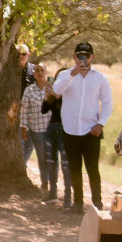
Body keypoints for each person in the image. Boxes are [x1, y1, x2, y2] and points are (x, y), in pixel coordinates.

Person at [52, 42, 112, 211]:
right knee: (74, 168)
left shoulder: (100, 78)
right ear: (74, 57)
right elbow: (57, 90)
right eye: (79, 55)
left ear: (92, 57)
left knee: (93, 168)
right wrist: (73, 73)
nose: (83, 59)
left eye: (86, 55)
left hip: (91, 130)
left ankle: (97, 203)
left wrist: (101, 124)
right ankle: (77, 203)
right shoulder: (65, 75)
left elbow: (107, 103)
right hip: (70, 130)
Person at [20, 63, 54, 197]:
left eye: (42, 70)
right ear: (34, 74)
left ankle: (53, 182)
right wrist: (23, 127)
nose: (39, 73)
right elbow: (24, 110)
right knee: (41, 156)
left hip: (51, 129)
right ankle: (45, 182)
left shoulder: (52, 88)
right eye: (37, 71)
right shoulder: (29, 90)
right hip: (36, 129)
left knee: (51, 157)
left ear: (46, 72)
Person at [43, 68, 73, 207]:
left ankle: (68, 197)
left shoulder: (71, 93)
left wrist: (57, 94)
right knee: (51, 161)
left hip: (65, 129)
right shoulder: (54, 93)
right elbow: (44, 110)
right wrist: (48, 96)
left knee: (66, 164)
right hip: (52, 128)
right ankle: (52, 193)